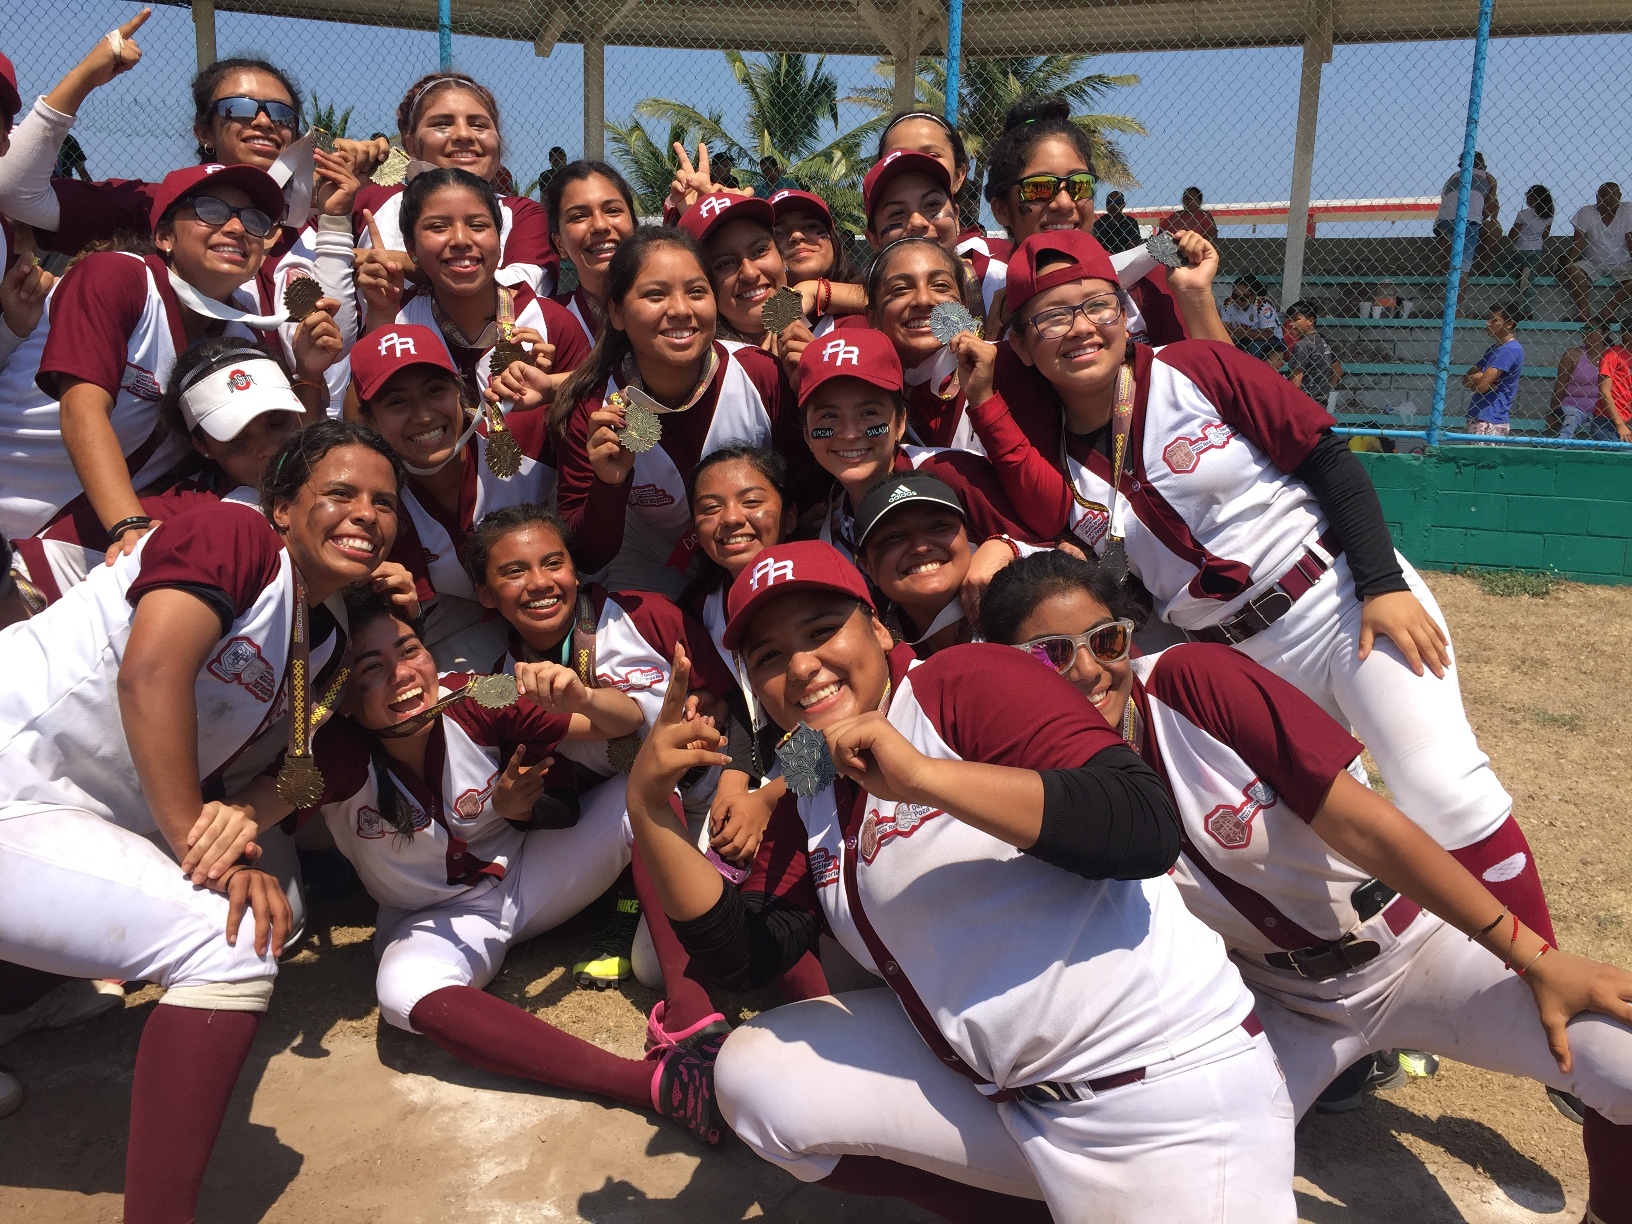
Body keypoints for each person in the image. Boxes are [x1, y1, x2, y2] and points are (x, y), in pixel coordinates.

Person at [627, 539, 1298, 1223]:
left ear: (879, 627)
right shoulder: (809, 771)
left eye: (822, 630)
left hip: (1162, 1095)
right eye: (768, 656)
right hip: (1013, 1100)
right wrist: (651, 810)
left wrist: (926, 778)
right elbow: (747, 954)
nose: (802, 665)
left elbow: (1142, 824)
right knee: (754, 1077)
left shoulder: (962, 680)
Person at [977, 549, 1632, 1224]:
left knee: (1627, 1059)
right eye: (1047, 655)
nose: (1087, 669)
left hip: (1410, 949)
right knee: (1173, 1191)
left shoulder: (1191, 682)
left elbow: (1370, 829)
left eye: (1104, 640)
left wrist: (1536, 958)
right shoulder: (1032, 784)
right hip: (1273, 1004)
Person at [962, 228, 1561, 949]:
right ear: (1023, 345)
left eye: (1097, 303)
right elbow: (1083, 552)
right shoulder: (1059, 463)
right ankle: (1412, 978)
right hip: (1242, 656)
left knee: (1443, 791)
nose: (1083, 327)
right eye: (1052, 317)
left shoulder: (1193, 369)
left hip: (1340, 599)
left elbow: (1326, 458)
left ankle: (1548, 978)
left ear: (1123, 309)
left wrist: (1382, 582)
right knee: (1334, 831)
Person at [0, 419, 399, 1222]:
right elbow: (151, 674)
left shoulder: (320, 639)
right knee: (226, 942)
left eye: (384, 503)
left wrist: (237, 818)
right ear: (282, 506)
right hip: (13, 768)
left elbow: (297, 771)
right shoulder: (236, 534)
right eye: (340, 494)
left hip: (53, 808)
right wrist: (201, 845)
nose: (366, 513)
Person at [211, 594, 727, 1143]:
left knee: (640, 793)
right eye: (371, 669)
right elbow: (247, 810)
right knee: (403, 994)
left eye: (410, 651)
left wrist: (583, 696)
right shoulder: (335, 752)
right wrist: (238, 865)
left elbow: (621, 723)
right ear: (343, 701)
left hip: (532, 878)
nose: (403, 675)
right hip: (433, 920)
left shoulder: (475, 689)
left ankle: (693, 1019)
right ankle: (649, 1084)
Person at [0, 161, 342, 546]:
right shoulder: (118, 277)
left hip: (66, 540)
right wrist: (128, 526)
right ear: (164, 236)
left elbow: (282, 455)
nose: (235, 228)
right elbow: (82, 408)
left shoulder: (241, 335)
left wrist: (310, 374)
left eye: (254, 220)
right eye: (209, 211)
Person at [0, 22, 364, 336]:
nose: (265, 122)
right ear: (203, 131)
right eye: (238, 108)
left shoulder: (319, 224)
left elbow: (338, 343)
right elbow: (14, 191)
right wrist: (84, 78)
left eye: (282, 114)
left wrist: (337, 216)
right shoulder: (160, 205)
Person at [551, 226, 799, 597]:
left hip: (756, 556)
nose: (681, 310)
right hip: (652, 567)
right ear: (616, 312)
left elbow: (803, 489)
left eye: (697, 292)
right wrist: (610, 485)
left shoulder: (759, 375)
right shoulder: (596, 408)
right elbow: (586, 553)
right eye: (655, 294)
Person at [9, 335, 329, 605]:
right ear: (202, 445)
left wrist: (310, 375)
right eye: (237, 438)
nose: (268, 448)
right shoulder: (218, 514)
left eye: (277, 421)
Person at [350, 321, 556, 669]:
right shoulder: (378, 500)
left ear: (460, 391)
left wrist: (553, 388)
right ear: (370, 422)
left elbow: (636, 392)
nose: (424, 414)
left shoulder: (525, 427)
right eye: (397, 402)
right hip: (480, 625)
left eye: (435, 390)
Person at [980, 96, 1226, 345]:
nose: (1065, 203)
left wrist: (1195, 297)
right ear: (1001, 209)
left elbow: (1227, 381)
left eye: (1080, 184)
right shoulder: (981, 296)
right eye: (1039, 188)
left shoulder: (1150, 286)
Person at [796, 325, 1037, 566]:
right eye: (829, 416)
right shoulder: (830, 517)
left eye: (868, 413)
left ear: (901, 422)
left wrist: (1005, 550)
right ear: (806, 434)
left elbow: (1053, 553)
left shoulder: (953, 474)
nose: (849, 434)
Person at [357, 166, 589, 414]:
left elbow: (586, 429)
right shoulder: (397, 319)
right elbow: (362, 426)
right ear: (410, 246)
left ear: (499, 240)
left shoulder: (551, 324)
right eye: (438, 227)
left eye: (478, 226)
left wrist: (550, 394)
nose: (460, 240)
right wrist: (381, 320)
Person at [352, 71, 559, 296]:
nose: (464, 134)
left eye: (479, 125)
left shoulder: (522, 214)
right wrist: (335, 173)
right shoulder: (370, 200)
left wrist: (398, 263)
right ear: (409, 142)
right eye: (442, 124)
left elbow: (521, 291)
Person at [854, 472, 982, 655]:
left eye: (938, 526)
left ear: (967, 536)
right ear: (869, 569)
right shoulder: (874, 651)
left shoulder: (1022, 603)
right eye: (894, 536)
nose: (921, 547)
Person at [545, 159, 638, 338]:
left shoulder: (673, 306)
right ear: (559, 244)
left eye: (612, 210)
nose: (600, 225)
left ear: (634, 224)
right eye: (579, 216)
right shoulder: (545, 324)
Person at [769, 187, 863, 318]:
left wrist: (814, 290)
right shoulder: (755, 312)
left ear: (833, 239)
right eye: (779, 232)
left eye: (810, 226)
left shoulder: (873, 298)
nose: (796, 236)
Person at [1435, 152, 1497, 308]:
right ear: (1483, 165)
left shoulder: (1453, 177)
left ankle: (1441, 267)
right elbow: (1490, 207)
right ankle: (1456, 308)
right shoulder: (1488, 177)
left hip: (1444, 221)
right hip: (1469, 221)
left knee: (1449, 235)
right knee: (1463, 268)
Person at [1565, 183, 1632, 323]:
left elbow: (1630, 240)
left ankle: (1607, 311)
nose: (1607, 199)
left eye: (1612, 195)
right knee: (1575, 270)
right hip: (1592, 262)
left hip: (1622, 262)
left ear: (1619, 196)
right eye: (1603, 195)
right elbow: (1578, 241)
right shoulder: (1586, 212)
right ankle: (1584, 312)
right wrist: (1568, 264)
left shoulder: (1628, 210)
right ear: (1597, 197)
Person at [1462, 303, 1524, 438]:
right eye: (1489, 319)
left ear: (1509, 324)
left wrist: (1479, 380)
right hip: (1479, 416)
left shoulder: (1511, 349)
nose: (1488, 323)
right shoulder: (1492, 350)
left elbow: (1481, 387)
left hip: (1491, 419)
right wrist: (1478, 378)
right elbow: (1466, 380)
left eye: (1494, 320)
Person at [1552, 319, 1613, 439]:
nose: (1587, 332)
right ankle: (1560, 448)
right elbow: (1560, 385)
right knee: (1571, 419)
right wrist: (1552, 412)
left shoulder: (1612, 356)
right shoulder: (1572, 355)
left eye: (1592, 329)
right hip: (1573, 407)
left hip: (1601, 409)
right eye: (1584, 329)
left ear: (1605, 333)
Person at [1506, 184, 1553, 319]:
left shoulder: (1523, 214)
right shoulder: (1548, 216)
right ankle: (1527, 309)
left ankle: (1518, 271)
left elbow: (1513, 233)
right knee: (1530, 279)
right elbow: (1545, 236)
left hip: (1520, 248)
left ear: (1534, 198)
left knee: (1503, 267)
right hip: (1536, 250)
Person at [1284, 299, 1342, 406]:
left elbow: (1295, 383)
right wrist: (1324, 393)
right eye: (1289, 320)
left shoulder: (1303, 345)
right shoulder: (1322, 340)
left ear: (1310, 321)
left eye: (1296, 319)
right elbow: (1338, 371)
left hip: (1304, 405)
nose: (1291, 324)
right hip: (1320, 404)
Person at [1221, 275, 1284, 369]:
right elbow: (1226, 328)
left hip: (1273, 340)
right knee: (1227, 348)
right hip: (1245, 339)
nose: (1238, 301)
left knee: (1254, 348)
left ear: (1252, 297)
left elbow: (1268, 334)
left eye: (1243, 297)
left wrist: (1243, 333)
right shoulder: (1228, 303)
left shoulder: (1263, 304)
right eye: (1235, 296)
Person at [1599, 318, 1632, 444]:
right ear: (1624, 333)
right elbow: (1604, 390)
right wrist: (1620, 425)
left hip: (1628, 418)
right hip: (1607, 419)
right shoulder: (1612, 354)